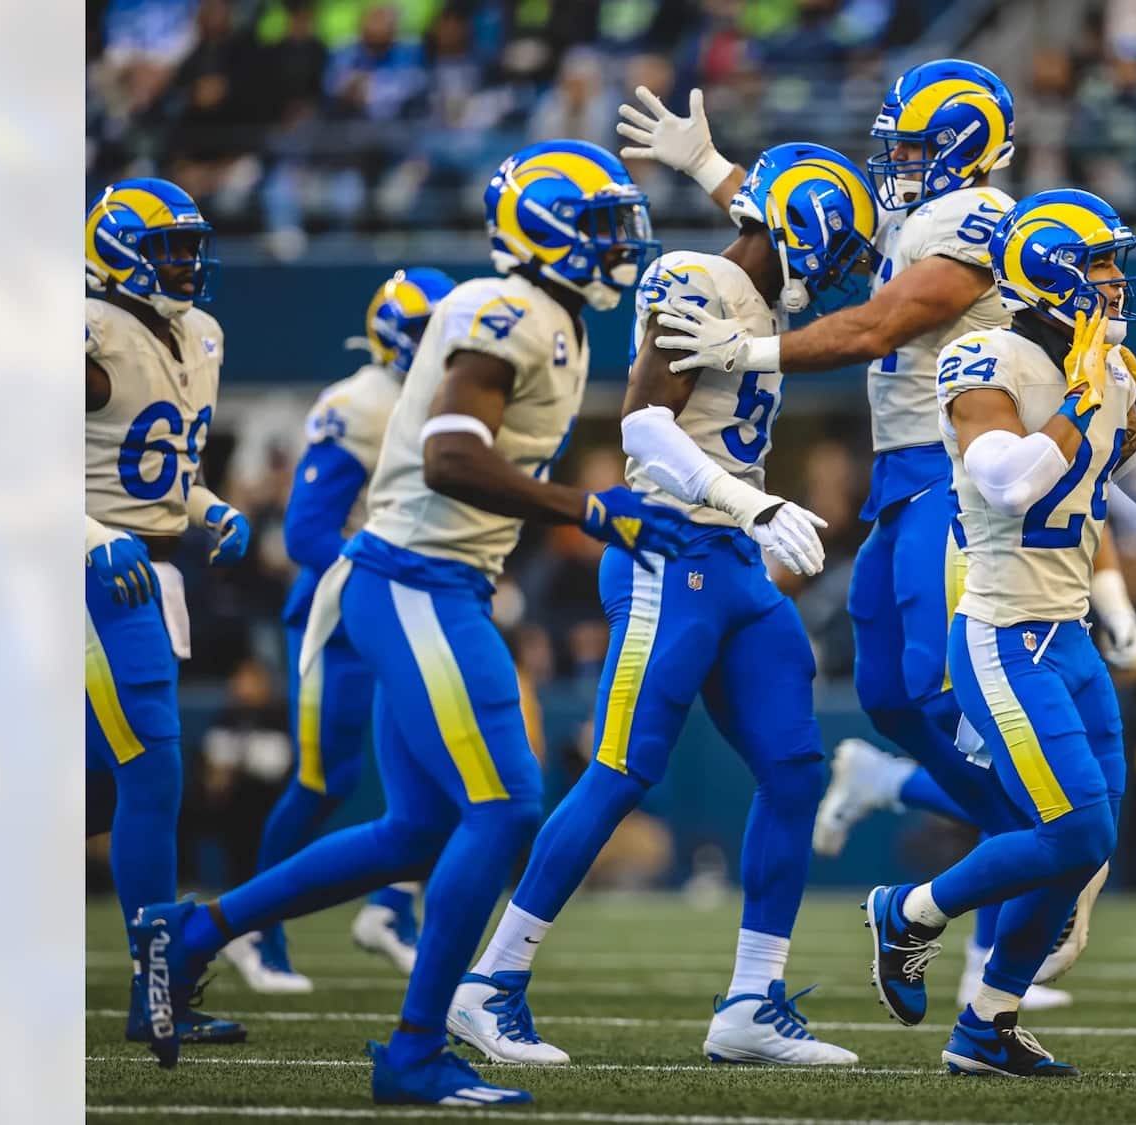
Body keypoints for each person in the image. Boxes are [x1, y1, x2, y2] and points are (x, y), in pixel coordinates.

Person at [129, 140, 688, 1108]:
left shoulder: (553, 317)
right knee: (505, 806)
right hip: (414, 576)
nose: (616, 247)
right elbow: (451, 459)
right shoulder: (501, 311)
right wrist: (591, 510)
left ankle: (196, 933)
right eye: (600, 227)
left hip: (437, 579)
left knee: (412, 832)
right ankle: (415, 1049)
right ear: (545, 229)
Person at [617, 58, 1136, 1010]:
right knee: (894, 695)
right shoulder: (921, 213)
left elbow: (879, 321)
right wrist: (711, 170)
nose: (893, 162)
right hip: (900, 487)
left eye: (910, 146)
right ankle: (989, 835)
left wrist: (752, 348)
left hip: (959, 478)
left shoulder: (981, 220)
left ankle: (1032, 893)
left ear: (963, 147)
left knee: (970, 707)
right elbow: (809, 229)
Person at [446, 143, 869, 1069]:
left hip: (733, 565)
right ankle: (490, 983)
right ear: (804, 231)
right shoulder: (696, 278)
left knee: (796, 770)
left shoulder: (752, 301)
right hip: (667, 550)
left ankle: (752, 1001)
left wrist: (746, 518)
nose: (838, 274)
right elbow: (642, 423)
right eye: (837, 249)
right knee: (622, 767)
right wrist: (751, 502)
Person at [865, 189, 1136, 1077]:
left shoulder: (1108, 365)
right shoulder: (984, 357)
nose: (1117, 281)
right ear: (1052, 269)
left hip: (1071, 638)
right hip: (1002, 632)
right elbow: (1009, 481)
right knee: (1074, 830)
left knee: (1086, 840)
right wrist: (1085, 393)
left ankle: (986, 1024)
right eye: (1100, 264)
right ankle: (909, 911)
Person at [222, 267, 457, 996]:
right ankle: (251, 925)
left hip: (410, 604)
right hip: (345, 614)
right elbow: (306, 531)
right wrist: (387, 572)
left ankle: (390, 907)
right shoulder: (360, 405)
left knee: (451, 772)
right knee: (327, 780)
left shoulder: (446, 397)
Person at [85, 177, 251, 1054]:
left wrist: (207, 506)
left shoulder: (201, 333)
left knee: (92, 785)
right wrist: (87, 538)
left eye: (192, 246)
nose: (186, 262)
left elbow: (159, 466)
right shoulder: (86, 330)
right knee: (152, 777)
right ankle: (159, 989)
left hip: (141, 568)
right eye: (169, 248)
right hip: (84, 570)